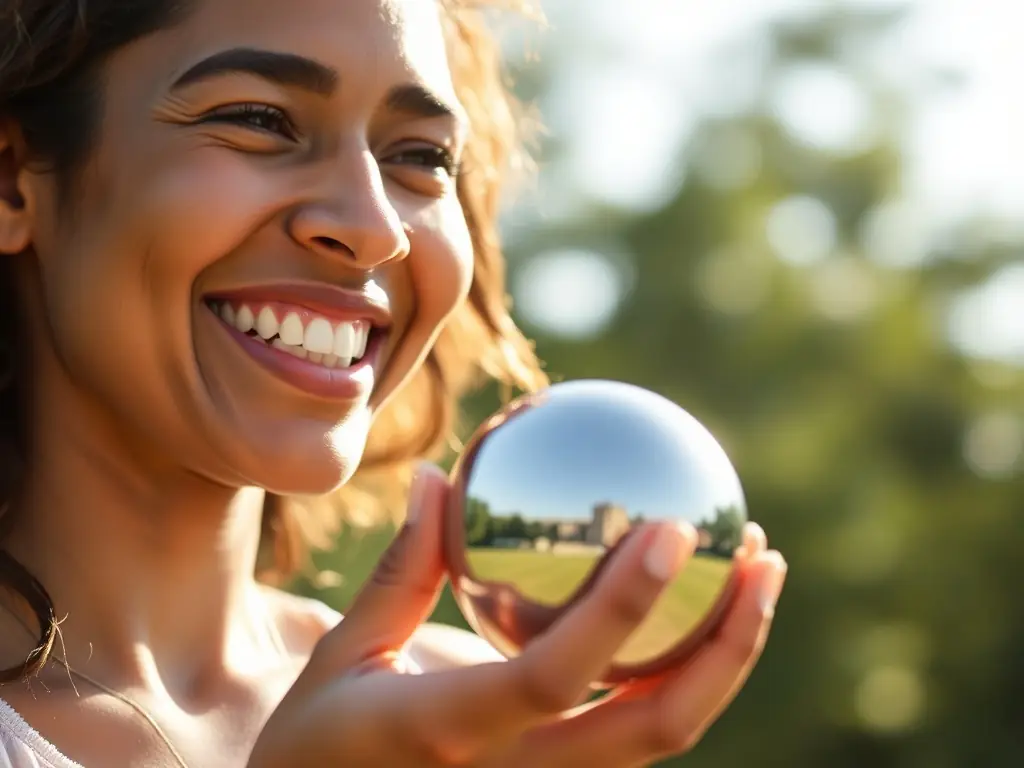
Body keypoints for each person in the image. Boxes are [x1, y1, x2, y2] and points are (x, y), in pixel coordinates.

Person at [0, 0, 788, 764]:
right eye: (260, 119)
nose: (376, 230)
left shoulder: (468, 730)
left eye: (420, 156)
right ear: (11, 181)